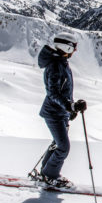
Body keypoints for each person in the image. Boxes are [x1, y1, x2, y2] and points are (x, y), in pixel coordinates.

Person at [37, 31, 87, 188]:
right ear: (66, 47)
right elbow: (53, 93)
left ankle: (46, 172)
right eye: (74, 47)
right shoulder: (55, 66)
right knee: (63, 147)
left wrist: (70, 109)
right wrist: (69, 106)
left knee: (58, 143)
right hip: (53, 113)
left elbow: (63, 91)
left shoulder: (61, 62)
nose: (76, 50)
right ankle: (50, 176)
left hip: (60, 112)